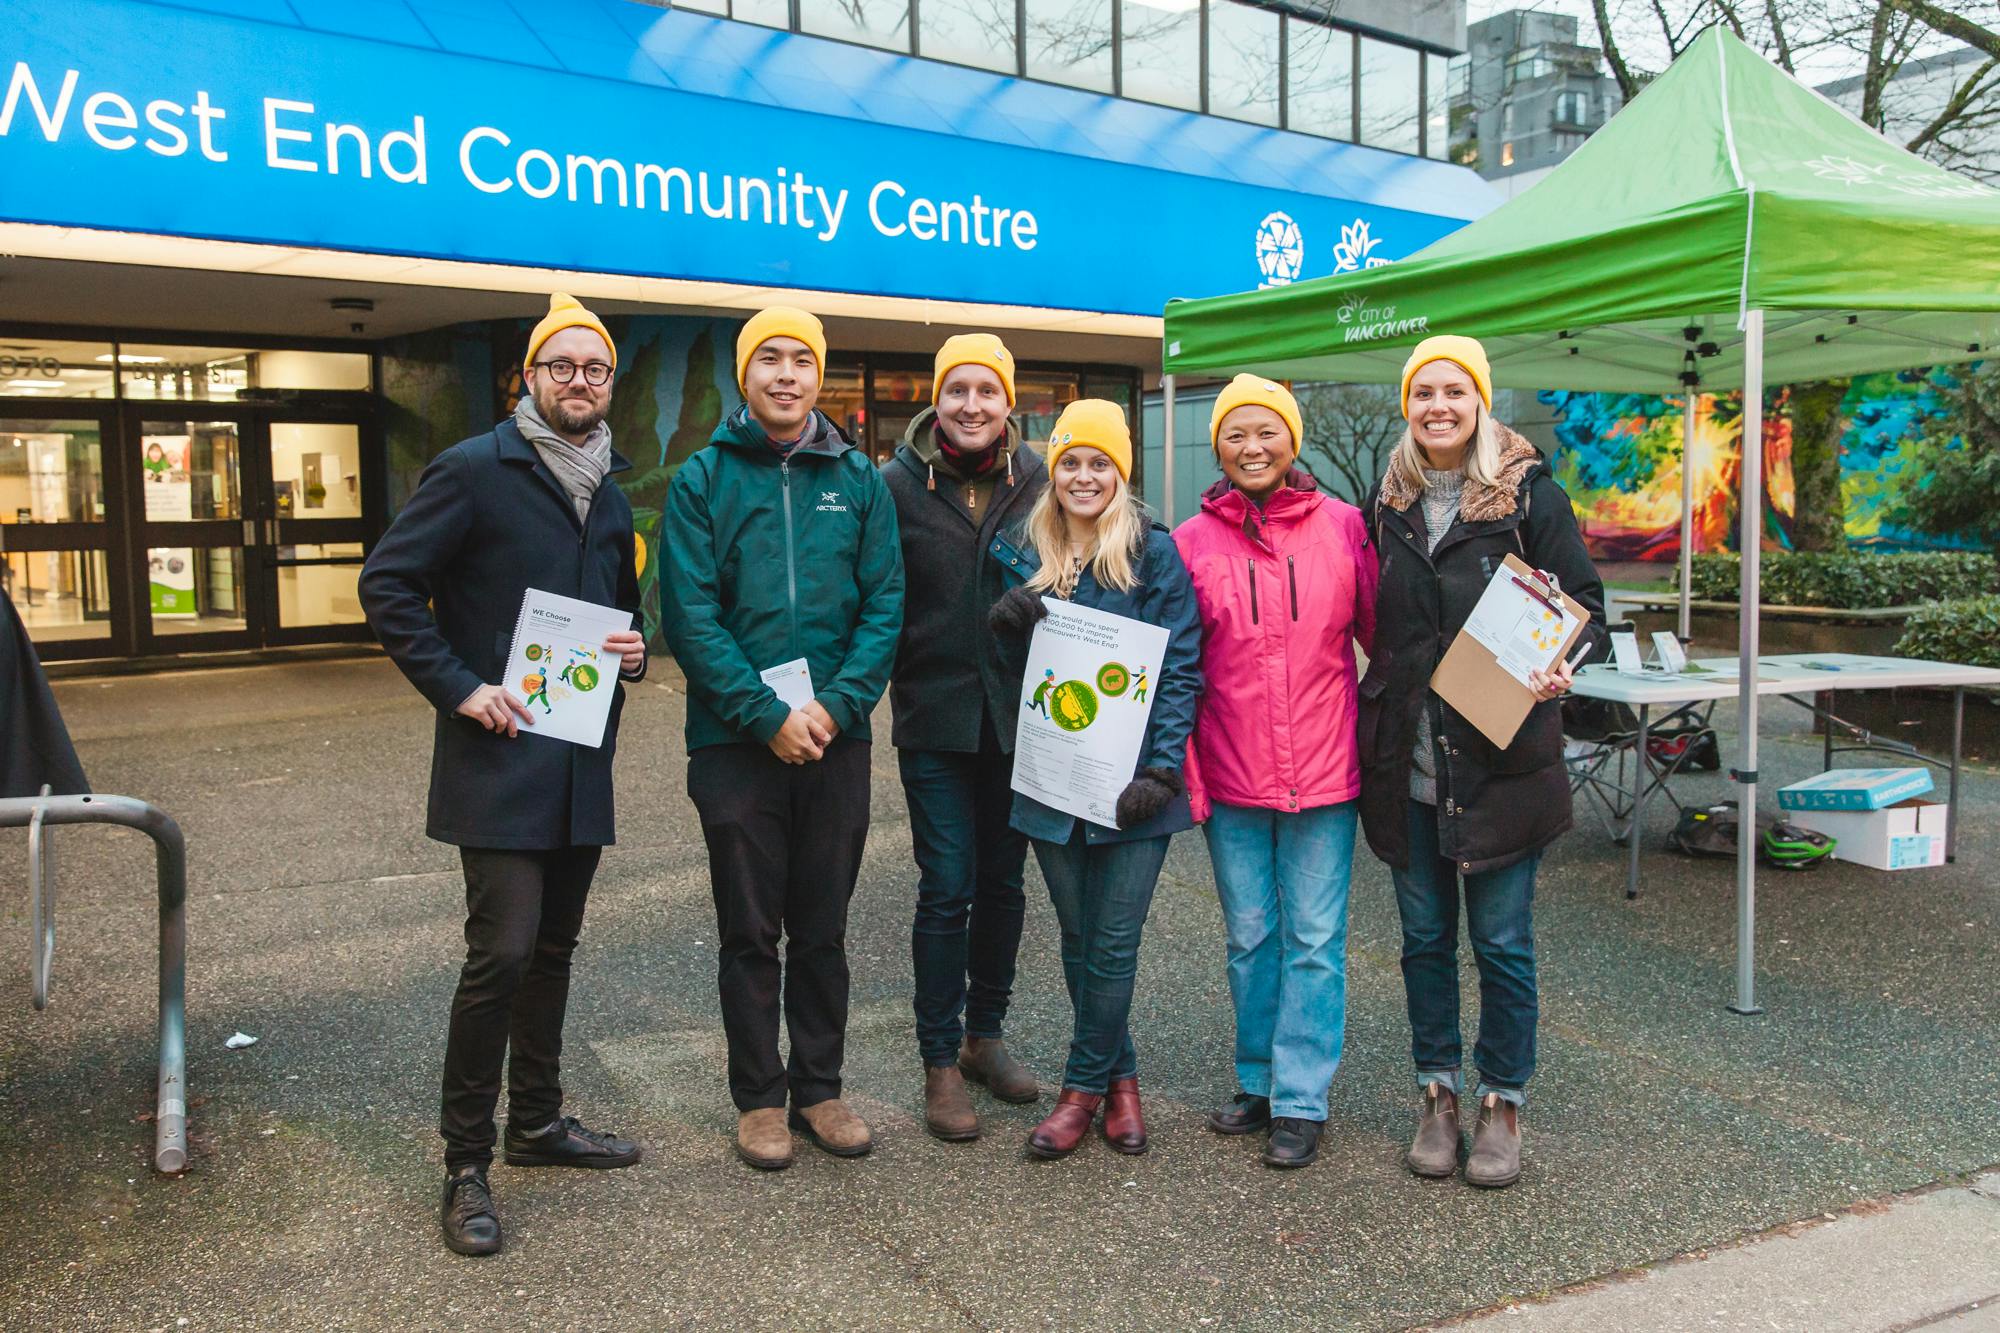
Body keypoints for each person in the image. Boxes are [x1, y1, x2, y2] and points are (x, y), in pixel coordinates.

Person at [359, 293, 649, 1258]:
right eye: (560, 366)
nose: (579, 382)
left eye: (595, 369)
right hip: (499, 754)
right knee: (502, 956)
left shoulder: (608, 490)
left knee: (554, 952)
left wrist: (635, 653)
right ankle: (465, 1162)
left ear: (611, 384)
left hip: (577, 758)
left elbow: (620, 607)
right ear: (528, 377)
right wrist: (458, 686)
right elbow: (388, 583)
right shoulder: (475, 468)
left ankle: (538, 1121)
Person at [659, 306, 904, 1172]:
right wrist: (765, 715)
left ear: (819, 375)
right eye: (770, 359)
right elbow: (687, 614)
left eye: (802, 360)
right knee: (750, 930)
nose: (787, 374)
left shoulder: (859, 481)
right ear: (745, 373)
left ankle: (821, 1087)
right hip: (734, 744)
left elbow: (884, 606)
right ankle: (760, 1099)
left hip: (836, 738)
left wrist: (833, 708)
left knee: (825, 926)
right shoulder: (703, 479)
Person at [1358, 335, 1603, 1189]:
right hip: (1410, 761)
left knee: (1500, 942)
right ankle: (1437, 1093)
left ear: (1480, 401)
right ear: (1407, 404)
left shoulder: (1529, 494)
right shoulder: (1385, 500)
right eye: (1423, 392)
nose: (1438, 406)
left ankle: (1502, 1101)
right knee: (1424, 940)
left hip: (1500, 759)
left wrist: (1567, 657)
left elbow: (1586, 605)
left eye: (1454, 391)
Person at [986, 399, 1201, 1160]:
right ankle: (1123, 1083)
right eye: (1071, 461)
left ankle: (1078, 1094)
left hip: (1133, 788)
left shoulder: (1153, 554)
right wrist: (1006, 631)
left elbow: (1180, 667)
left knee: (1112, 944)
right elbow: (1013, 681)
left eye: (1099, 463)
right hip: (1050, 782)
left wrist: (1163, 769)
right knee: (1080, 940)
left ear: (1121, 471)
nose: (1084, 476)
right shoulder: (1020, 551)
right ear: (1055, 471)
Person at [1173, 375, 1377, 1169]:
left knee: (1317, 939)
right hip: (1230, 773)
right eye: (1235, 434)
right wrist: (1185, 772)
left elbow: (1385, 644)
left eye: (1267, 432)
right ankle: (1257, 1078)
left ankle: (1301, 1096)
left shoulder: (1346, 529)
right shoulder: (1190, 542)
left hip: (1326, 774)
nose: (1252, 447)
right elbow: (1178, 672)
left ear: (1292, 441)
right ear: (1218, 447)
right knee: (1250, 936)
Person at [881, 333, 1048, 1141]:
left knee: (1005, 886)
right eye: (958, 391)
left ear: (1007, 401)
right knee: (947, 885)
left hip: (1023, 718)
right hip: (935, 717)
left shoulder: (1045, 478)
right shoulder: (896, 485)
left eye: (987, 390)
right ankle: (939, 1060)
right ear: (936, 399)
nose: (972, 405)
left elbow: (1113, 540)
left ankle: (987, 1034)